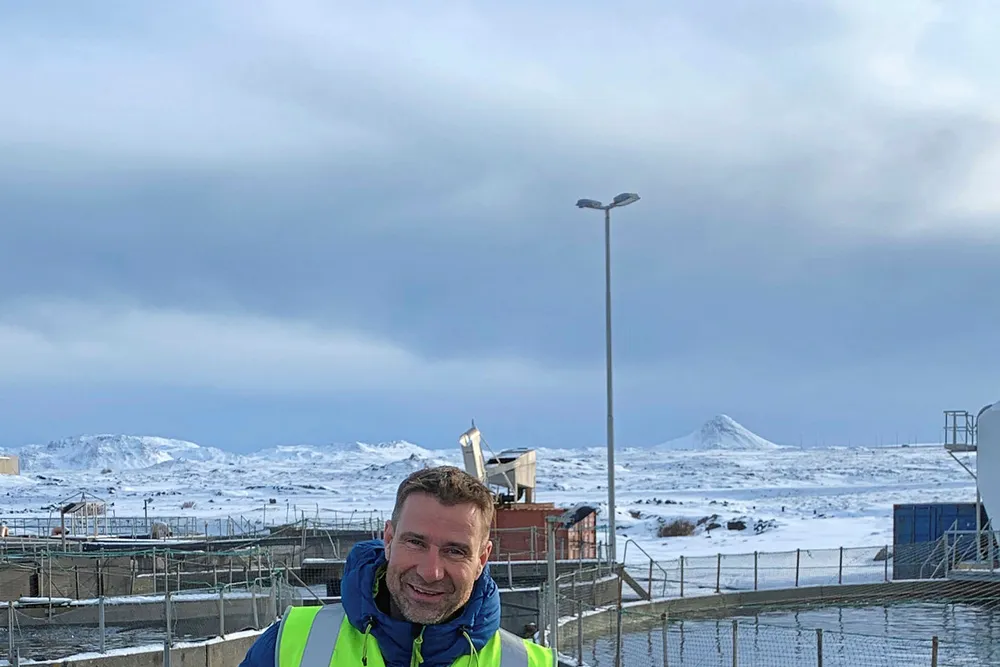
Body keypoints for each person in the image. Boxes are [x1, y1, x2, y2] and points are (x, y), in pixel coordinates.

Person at [239, 465, 554, 666]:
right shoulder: (291, 645)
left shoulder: (525, 663)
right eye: (415, 543)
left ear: (482, 559)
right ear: (388, 539)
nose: (430, 572)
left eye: (455, 551)